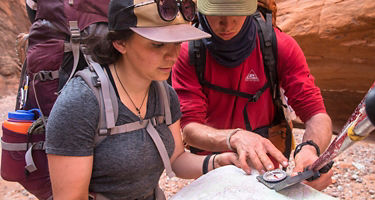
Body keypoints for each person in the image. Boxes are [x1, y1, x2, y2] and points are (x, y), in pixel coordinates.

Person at [45, 0, 240, 199]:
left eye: (177, 43)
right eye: (157, 44)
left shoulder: (164, 94)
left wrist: (219, 162)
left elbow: (176, 159)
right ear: (120, 42)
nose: (172, 56)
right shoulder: (81, 103)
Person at [172, 0, 333, 190]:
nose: (227, 24)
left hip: (267, 172)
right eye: (217, 14)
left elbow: (316, 114)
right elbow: (189, 129)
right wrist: (235, 137)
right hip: (213, 170)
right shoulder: (187, 53)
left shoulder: (279, 46)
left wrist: (310, 149)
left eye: (237, 13)